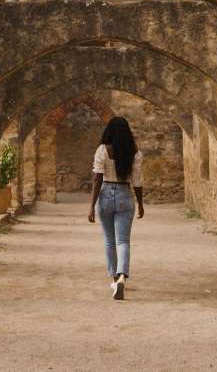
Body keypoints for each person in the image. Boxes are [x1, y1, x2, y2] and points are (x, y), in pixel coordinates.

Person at [88, 116, 144, 300]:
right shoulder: (134, 152)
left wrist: (91, 206)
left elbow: (97, 179)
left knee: (109, 241)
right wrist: (141, 203)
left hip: (105, 194)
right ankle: (122, 277)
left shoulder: (103, 150)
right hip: (124, 195)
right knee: (123, 241)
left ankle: (113, 277)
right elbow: (137, 181)